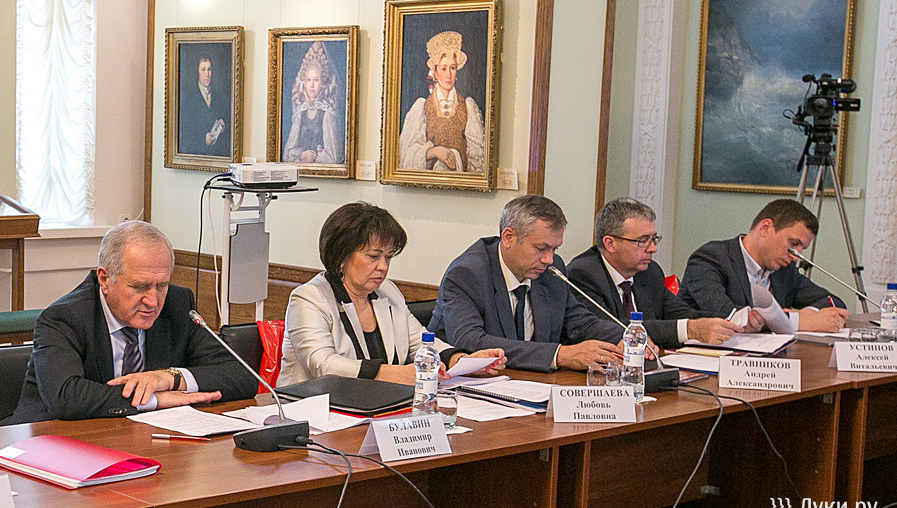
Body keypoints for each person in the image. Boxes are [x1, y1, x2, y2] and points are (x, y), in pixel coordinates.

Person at [4, 221, 257, 424]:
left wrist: (169, 378)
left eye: (162, 285)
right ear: (104, 279)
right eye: (139, 287)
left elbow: (242, 376)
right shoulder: (63, 318)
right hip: (54, 441)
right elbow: (66, 398)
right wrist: (155, 400)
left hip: (142, 439)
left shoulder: (178, 305)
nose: (153, 301)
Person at [280, 202, 505, 386]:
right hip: (314, 410)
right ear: (341, 255)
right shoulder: (309, 298)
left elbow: (420, 342)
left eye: (388, 257)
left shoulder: (387, 291)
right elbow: (323, 365)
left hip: (377, 407)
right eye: (373, 256)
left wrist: (463, 361)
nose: (383, 267)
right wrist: (393, 373)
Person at [427, 195, 626, 372]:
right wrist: (559, 355)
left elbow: (580, 323)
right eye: (541, 248)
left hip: (532, 386)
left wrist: (624, 337)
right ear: (508, 237)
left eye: (554, 249)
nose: (549, 259)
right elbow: (470, 341)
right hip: (461, 387)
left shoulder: (551, 270)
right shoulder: (467, 274)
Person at [566, 198, 749, 349]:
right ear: (610, 243)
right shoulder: (583, 274)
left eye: (653, 239)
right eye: (642, 241)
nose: (652, 248)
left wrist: (733, 321)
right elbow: (612, 328)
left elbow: (680, 314)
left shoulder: (649, 272)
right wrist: (690, 329)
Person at [679, 198, 848, 332]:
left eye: (801, 249)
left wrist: (809, 313)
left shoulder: (784, 270)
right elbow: (730, 317)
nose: (796, 257)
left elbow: (833, 302)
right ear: (765, 228)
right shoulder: (710, 259)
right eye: (793, 244)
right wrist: (799, 321)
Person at [397, 30, 486, 173]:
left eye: (452, 68)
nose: (448, 75)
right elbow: (406, 156)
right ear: (435, 72)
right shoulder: (422, 107)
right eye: (443, 69)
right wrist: (434, 152)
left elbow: (477, 159)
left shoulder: (467, 107)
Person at [282, 41, 343, 165]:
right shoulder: (301, 112)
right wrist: (301, 155)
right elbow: (287, 154)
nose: (311, 85)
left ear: (323, 83)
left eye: (316, 80)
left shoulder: (327, 113)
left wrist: (315, 156)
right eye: (308, 80)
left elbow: (333, 158)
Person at [178, 55, 230, 157]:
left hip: (216, 155)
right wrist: (203, 140)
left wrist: (223, 126)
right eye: (203, 69)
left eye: (209, 69)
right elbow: (183, 135)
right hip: (197, 156)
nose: (207, 74)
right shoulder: (189, 99)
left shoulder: (218, 97)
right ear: (197, 72)